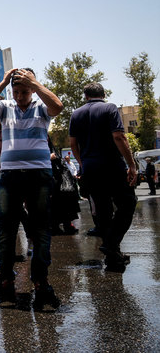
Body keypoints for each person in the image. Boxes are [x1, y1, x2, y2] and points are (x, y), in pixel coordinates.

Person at [0, 67, 63, 310]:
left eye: (24, 91)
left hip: (39, 174)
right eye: (16, 91)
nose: (20, 96)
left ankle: (40, 282)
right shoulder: (6, 107)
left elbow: (58, 107)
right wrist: (4, 82)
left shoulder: (41, 107)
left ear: (33, 89)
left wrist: (35, 84)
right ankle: (5, 279)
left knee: (41, 229)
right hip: (10, 176)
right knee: (6, 229)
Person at [69, 82, 137, 273]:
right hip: (112, 166)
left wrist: (83, 163)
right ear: (104, 94)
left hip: (90, 169)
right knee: (128, 203)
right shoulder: (110, 108)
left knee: (103, 211)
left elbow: (73, 144)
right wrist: (131, 164)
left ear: (85, 96)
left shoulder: (76, 114)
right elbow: (119, 137)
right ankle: (112, 244)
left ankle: (113, 256)